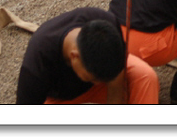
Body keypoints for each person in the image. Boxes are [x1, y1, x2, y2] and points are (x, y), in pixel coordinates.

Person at [16, 7, 159, 104]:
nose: (99, 83)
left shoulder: (106, 26)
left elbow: (115, 81)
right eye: (94, 78)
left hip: (100, 78)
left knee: (145, 77)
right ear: (74, 56)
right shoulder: (38, 61)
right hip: (60, 98)